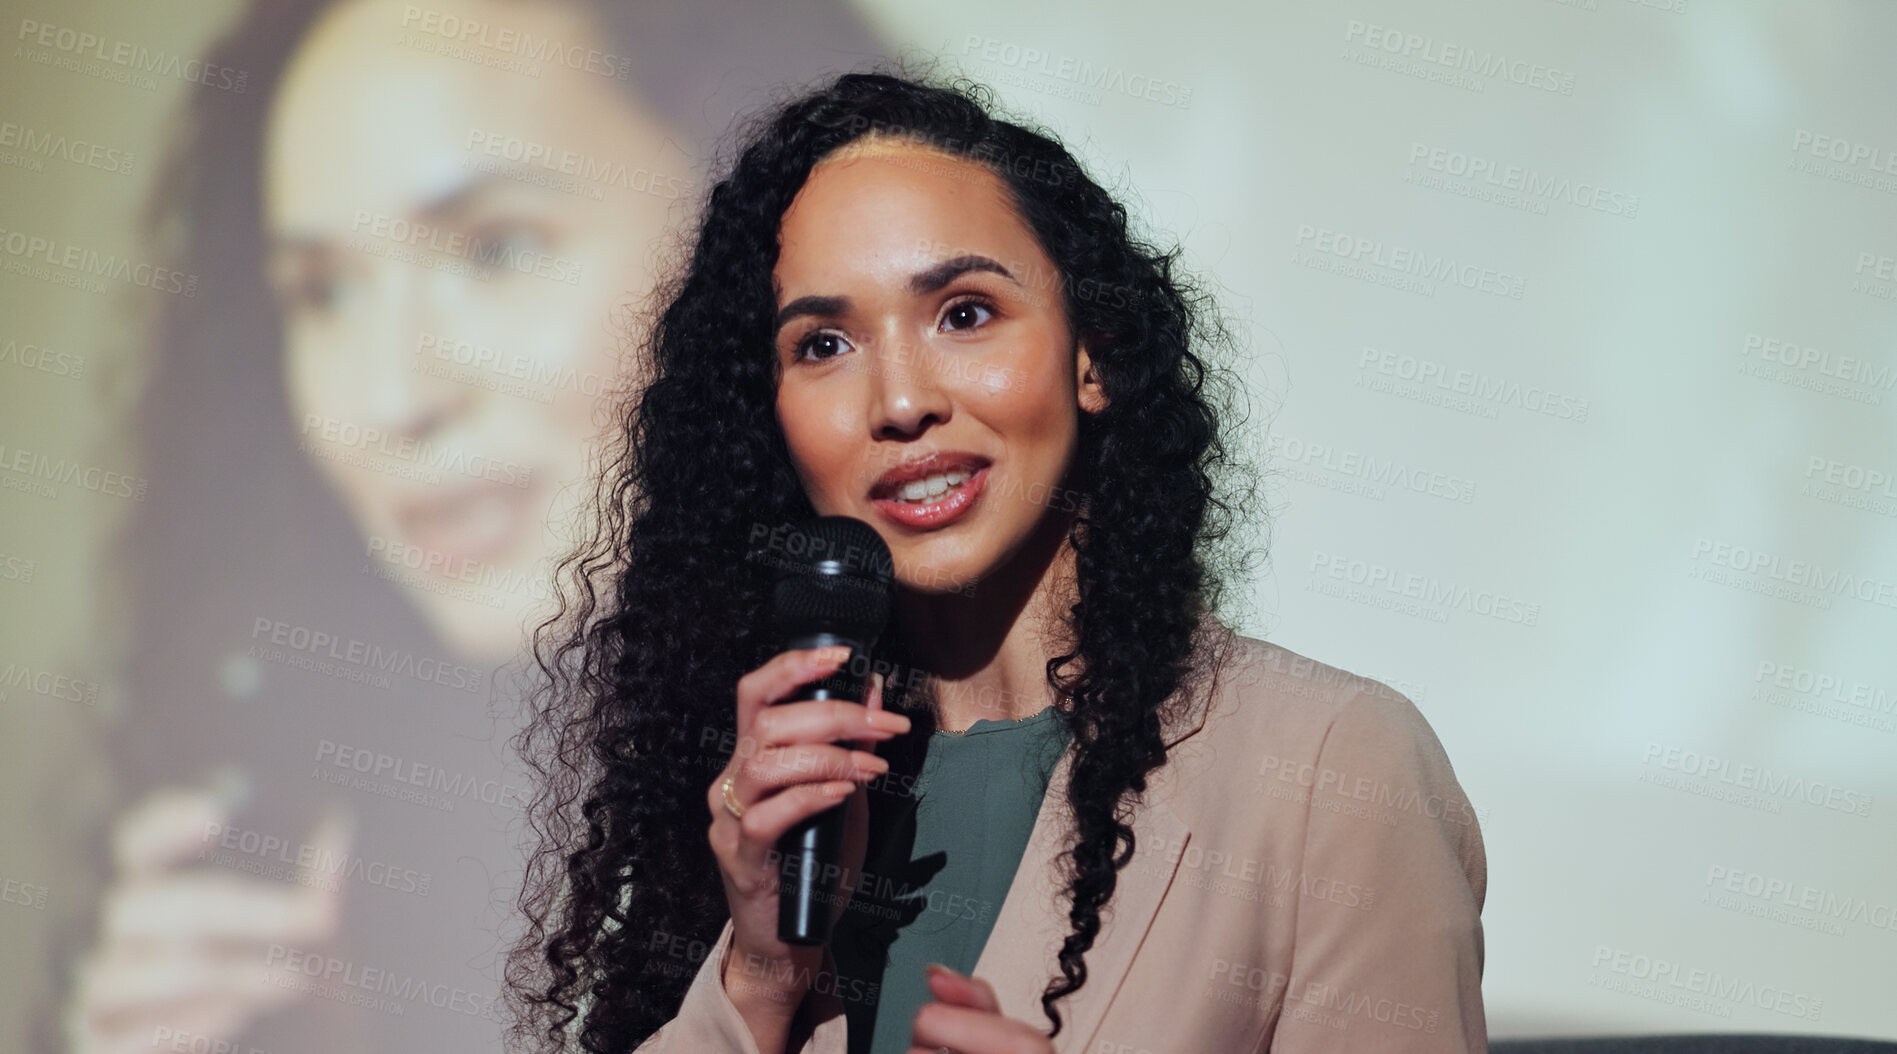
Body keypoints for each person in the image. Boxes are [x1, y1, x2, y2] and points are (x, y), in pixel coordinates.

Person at [509, 71, 1489, 1054]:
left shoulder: (1332, 767)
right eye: (824, 343)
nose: (899, 400)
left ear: (1092, 354)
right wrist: (761, 969)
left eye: (964, 313)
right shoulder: (772, 807)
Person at [65, 1, 883, 1052]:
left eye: (496, 248)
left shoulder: (1065, 772)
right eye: (322, 293)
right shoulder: (327, 858)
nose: (391, 398)